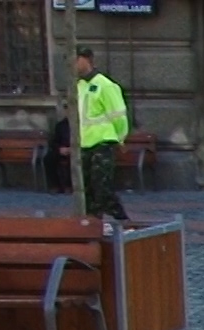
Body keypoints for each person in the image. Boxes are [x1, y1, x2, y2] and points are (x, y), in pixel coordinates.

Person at [75, 46, 130, 221]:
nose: (72, 64)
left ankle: (123, 221)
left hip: (103, 143)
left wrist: (121, 138)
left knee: (102, 188)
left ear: (86, 59)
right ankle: (93, 224)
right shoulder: (79, 86)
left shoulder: (105, 85)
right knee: (87, 190)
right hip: (84, 144)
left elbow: (118, 115)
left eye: (75, 60)